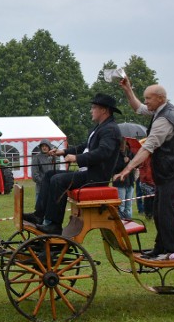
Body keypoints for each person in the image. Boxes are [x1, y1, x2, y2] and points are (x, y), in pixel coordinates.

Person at [24, 93, 122, 235]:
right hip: (88, 173)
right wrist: (62, 151)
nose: (91, 110)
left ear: (104, 110)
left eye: (94, 107)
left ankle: (54, 224)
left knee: (58, 180)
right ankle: (39, 215)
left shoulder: (111, 129)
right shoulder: (99, 128)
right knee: (49, 174)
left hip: (96, 177)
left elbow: (103, 153)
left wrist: (76, 158)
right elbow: (84, 146)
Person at [115, 80, 174, 259]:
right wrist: (128, 89)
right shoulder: (161, 110)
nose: (146, 101)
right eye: (146, 98)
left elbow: (149, 146)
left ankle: (173, 250)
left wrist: (128, 168)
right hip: (165, 169)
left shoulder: (164, 118)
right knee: (158, 209)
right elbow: (138, 108)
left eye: (149, 98)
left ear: (161, 99)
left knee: (166, 208)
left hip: (173, 169)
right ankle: (160, 247)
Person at [30, 139, 57, 215]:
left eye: (46, 146)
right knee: (40, 210)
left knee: (50, 211)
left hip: (52, 188)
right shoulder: (36, 158)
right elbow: (35, 175)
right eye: (42, 146)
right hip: (41, 189)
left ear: (49, 147)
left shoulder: (53, 157)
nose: (44, 148)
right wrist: (44, 183)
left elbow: (56, 171)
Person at [112, 139, 135, 219]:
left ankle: (129, 221)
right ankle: (121, 222)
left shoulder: (130, 152)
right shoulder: (114, 153)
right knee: (121, 204)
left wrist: (129, 160)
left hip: (130, 181)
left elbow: (136, 164)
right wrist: (124, 162)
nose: (122, 144)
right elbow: (113, 168)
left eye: (124, 142)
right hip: (119, 183)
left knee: (129, 204)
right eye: (121, 142)